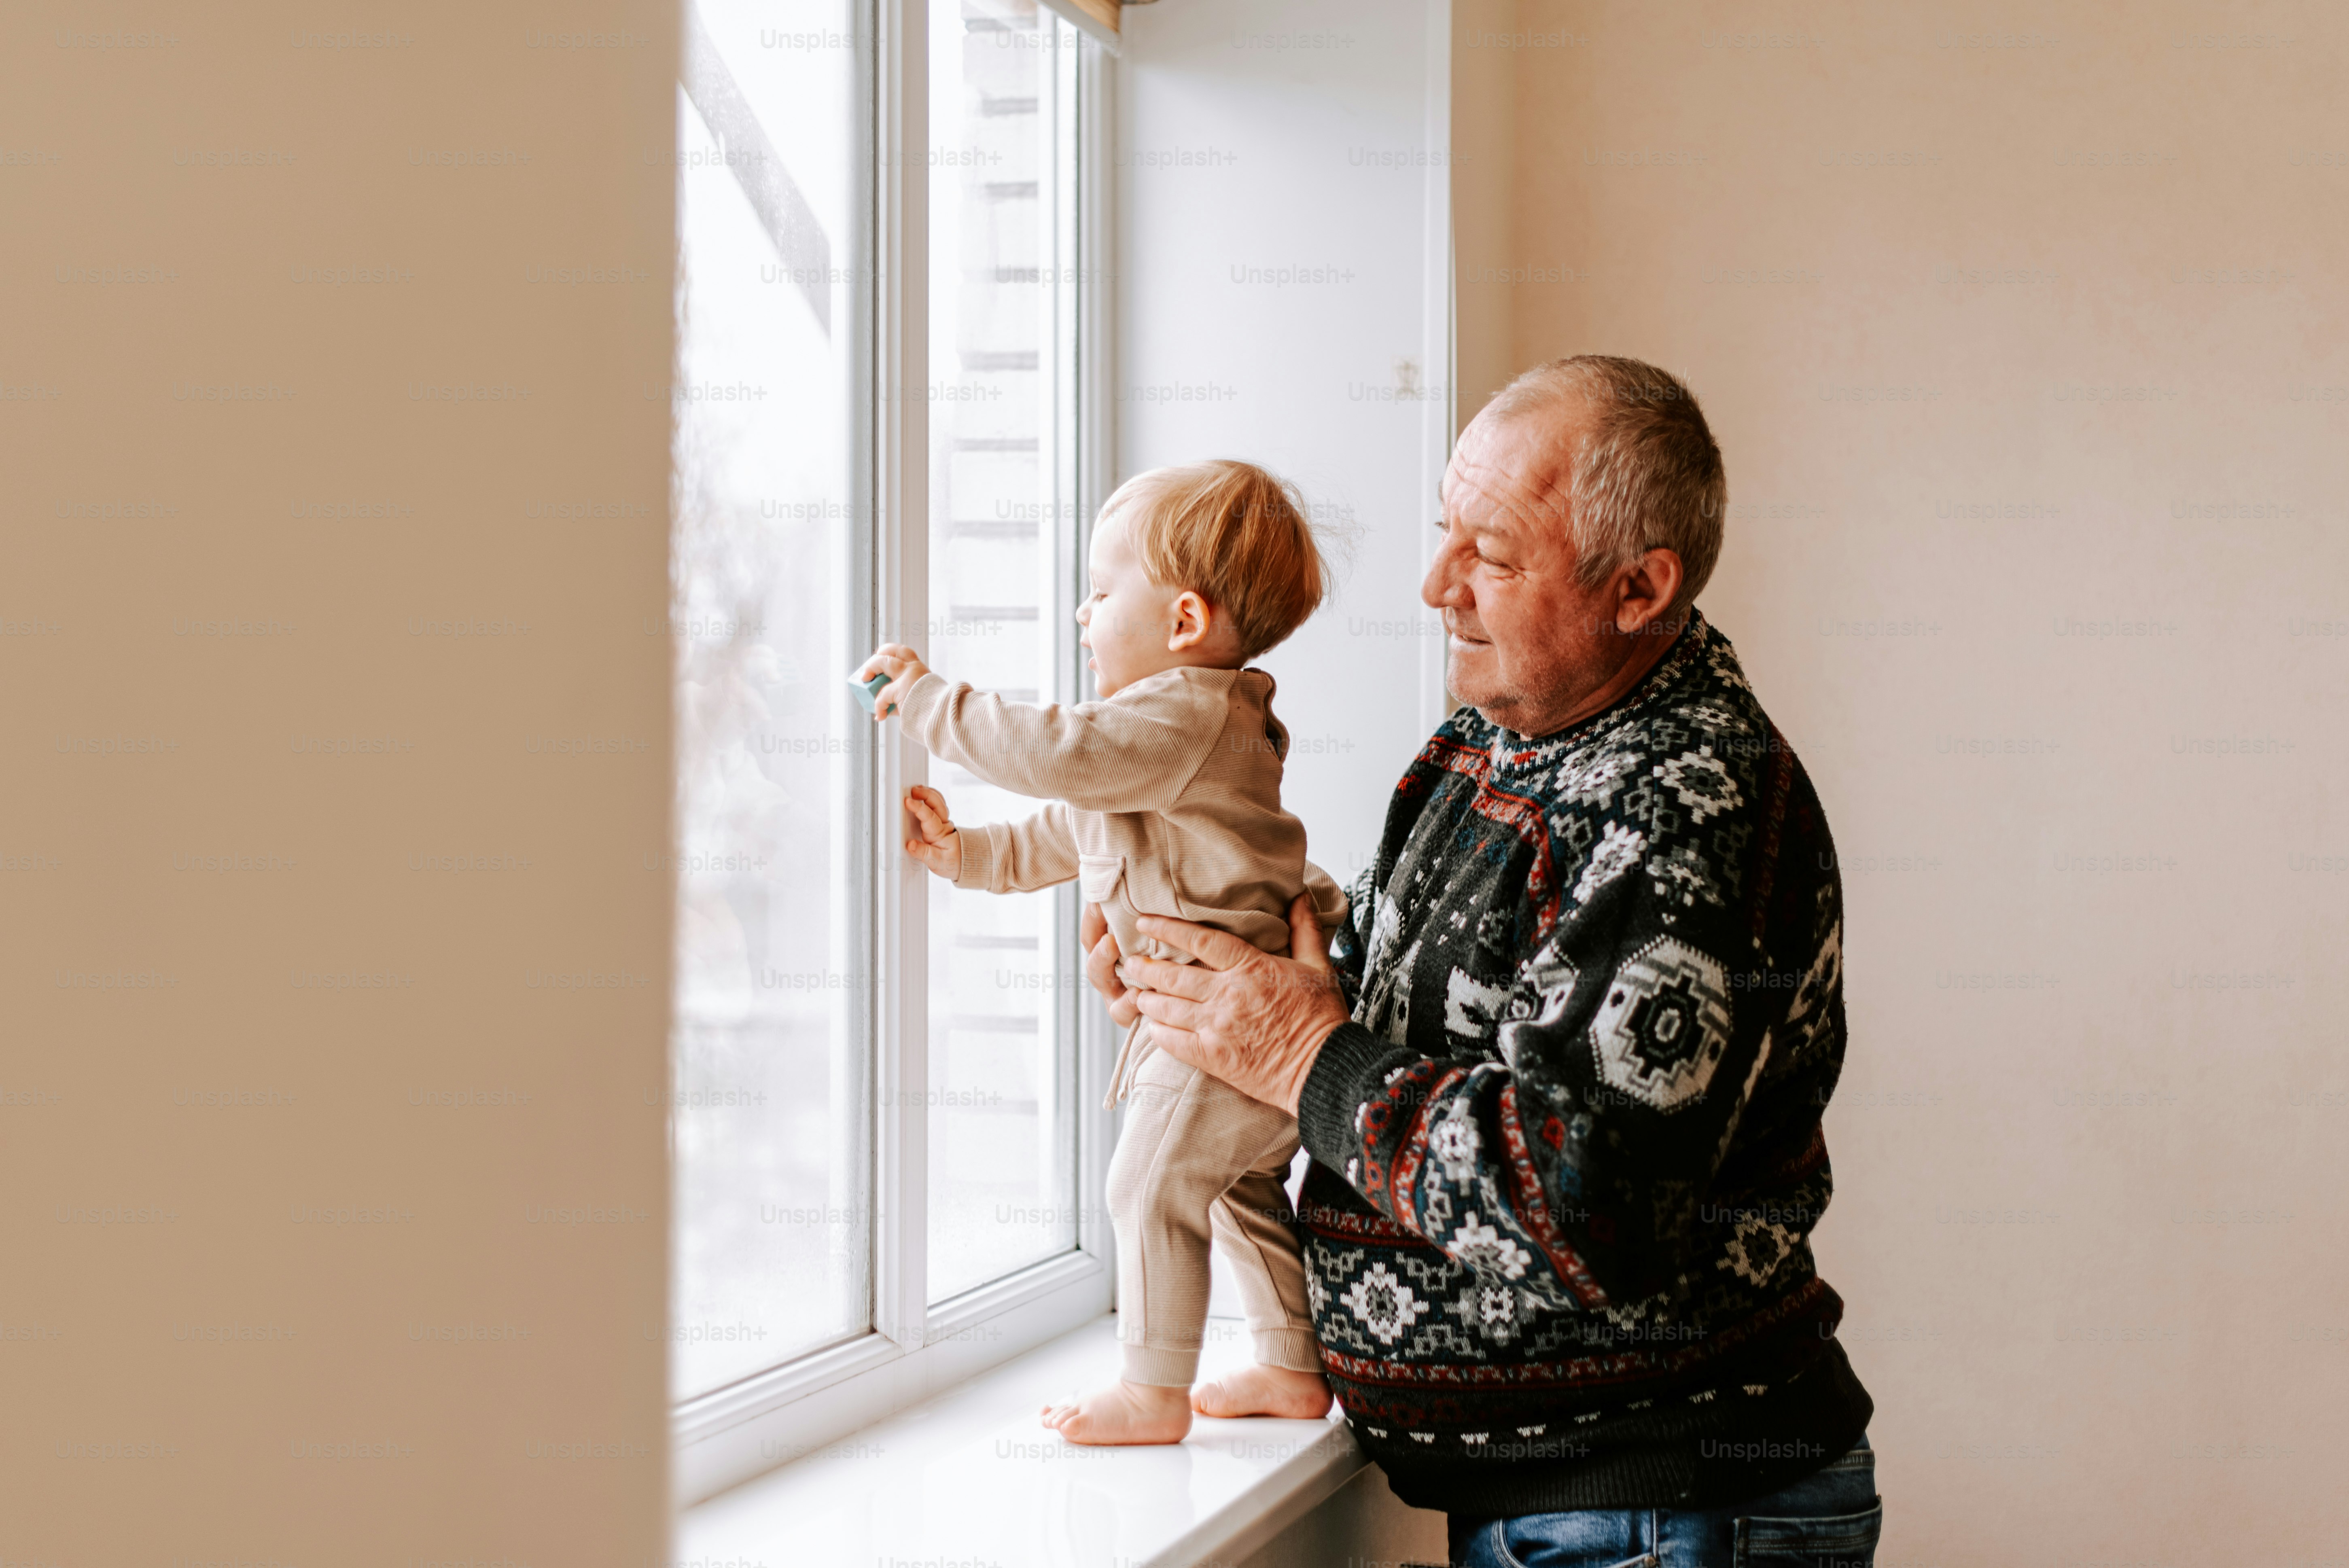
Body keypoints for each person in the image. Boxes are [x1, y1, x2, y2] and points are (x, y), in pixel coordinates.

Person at [1084, 357, 1884, 1566]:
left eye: (1491, 556)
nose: (1433, 585)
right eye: (1441, 531)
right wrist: (1227, 960)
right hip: (1593, 1513)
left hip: (1662, 1510)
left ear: (1637, 588)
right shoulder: (1500, 727)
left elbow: (1585, 1203)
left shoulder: (1679, 812)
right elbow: (1424, 992)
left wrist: (1299, 1046)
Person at [855, 459, 1348, 1445]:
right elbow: (1071, 824)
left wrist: (925, 701)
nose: (1081, 614)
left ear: (1182, 624)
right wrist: (968, 856)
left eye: (1099, 589)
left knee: (1146, 1184)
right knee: (1238, 1186)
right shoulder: (1177, 740)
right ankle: (1292, 1367)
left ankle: (1153, 1390)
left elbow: (1059, 755)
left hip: (1220, 1020)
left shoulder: (1185, 714)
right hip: (1228, 1015)